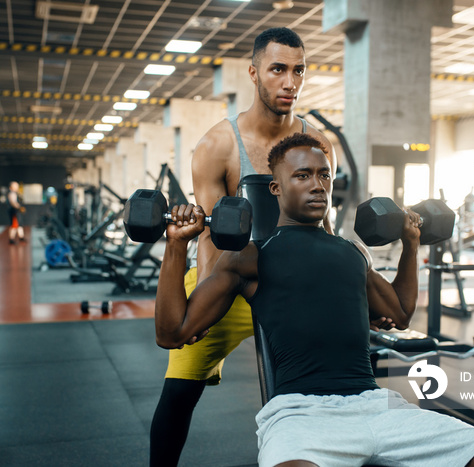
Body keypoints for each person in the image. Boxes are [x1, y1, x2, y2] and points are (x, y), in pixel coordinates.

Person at [154, 133, 474, 467]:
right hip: (300, 415)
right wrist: (176, 246)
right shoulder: (250, 256)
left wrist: (411, 245)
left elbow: (397, 313)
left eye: (324, 175)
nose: (317, 185)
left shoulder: (352, 253)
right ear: (275, 188)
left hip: (380, 406)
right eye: (303, 175)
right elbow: (172, 333)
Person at [149, 27, 375, 466]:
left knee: (327, 384)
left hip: (297, 282)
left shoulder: (316, 142)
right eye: (277, 70)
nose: (290, 82)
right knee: (180, 388)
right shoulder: (218, 145)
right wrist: (211, 296)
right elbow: (222, 237)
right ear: (254, 74)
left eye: (298, 71)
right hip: (232, 279)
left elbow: (321, 223)